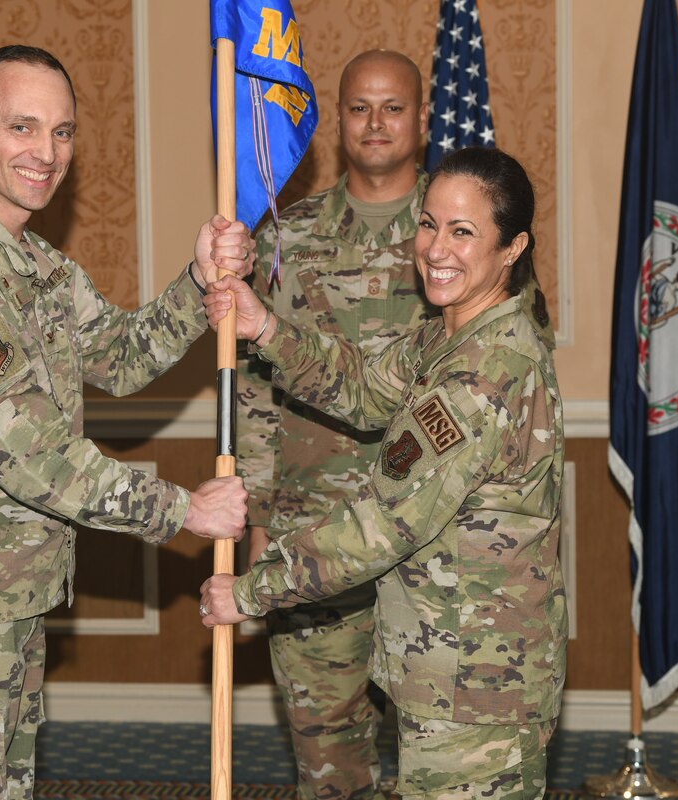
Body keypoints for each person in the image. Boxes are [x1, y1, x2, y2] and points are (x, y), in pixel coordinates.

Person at [0, 45, 252, 800]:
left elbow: (124, 357)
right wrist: (182, 510)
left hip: (4, 602)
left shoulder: (35, 267)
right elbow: (33, 457)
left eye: (62, 132)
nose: (46, 153)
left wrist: (199, 282)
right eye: (22, 127)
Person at [202, 146, 566, 799]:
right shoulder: (447, 332)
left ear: (512, 249)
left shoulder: (484, 371)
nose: (435, 249)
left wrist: (252, 591)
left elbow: (382, 523)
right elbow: (364, 392)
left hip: (477, 689)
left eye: (463, 232)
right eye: (428, 224)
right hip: (448, 672)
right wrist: (264, 327)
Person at [236, 48, 435, 800]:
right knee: (329, 764)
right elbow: (257, 388)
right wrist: (258, 513)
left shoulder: (460, 239)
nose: (375, 123)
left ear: (421, 118)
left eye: (392, 107)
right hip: (311, 532)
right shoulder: (287, 239)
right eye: (358, 108)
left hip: (429, 539)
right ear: (335, 122)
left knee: (438, 759)